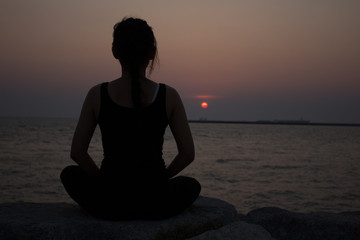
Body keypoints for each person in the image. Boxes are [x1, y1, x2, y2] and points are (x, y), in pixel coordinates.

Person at [60, 17, 201, 220]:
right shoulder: (169, 95)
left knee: (69, 174)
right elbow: (187, 154)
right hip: (154, 202)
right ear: (151, 53)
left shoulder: (97, 94)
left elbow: (77, 153)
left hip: (110, 202)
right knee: (191, 185)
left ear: (115, 51)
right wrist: (161, 179)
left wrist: (103, 181)